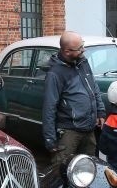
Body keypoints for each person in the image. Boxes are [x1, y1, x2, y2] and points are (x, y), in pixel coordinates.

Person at [42, 31, 106, 172]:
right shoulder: (55, 74)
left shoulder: (83, 62)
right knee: (62, 171)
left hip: (89, 129)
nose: (83, 50)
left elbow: (93, 87)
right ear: (67, 51)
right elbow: (49, 108)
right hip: (68, 131)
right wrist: (50, 140)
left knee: (89, 169)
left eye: (82, 46)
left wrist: (100, 111)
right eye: (79, 48)